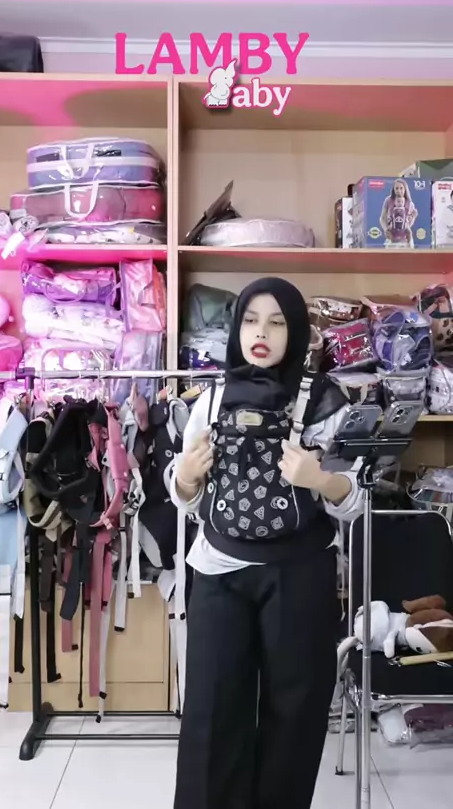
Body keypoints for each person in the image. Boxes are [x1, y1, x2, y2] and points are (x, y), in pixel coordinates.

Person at [169, 277, 365, 809]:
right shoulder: (211, 400)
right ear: (236, 329)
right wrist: (184, 477)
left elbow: (356, 499)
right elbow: (188, 496)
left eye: (277, 323)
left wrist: (320, 480)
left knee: (295, 714)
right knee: (212, 710)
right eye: (252, 320)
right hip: (219, 569)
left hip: (300, 572)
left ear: (296, 332)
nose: (262, 333)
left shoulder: (326, 403)